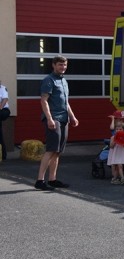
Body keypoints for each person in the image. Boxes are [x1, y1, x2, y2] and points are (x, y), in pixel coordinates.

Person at [35, 55, 79, 191]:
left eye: (65, 65)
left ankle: (52, 179)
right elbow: (44, 101)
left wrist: (73, 117)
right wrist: (49, 119)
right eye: (60, 65)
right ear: (53, 65)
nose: (63, 67)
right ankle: (40, 180)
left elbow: (66, 102)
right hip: (54, 118)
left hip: (64, 119)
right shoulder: (49, 80)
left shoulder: (64, 81)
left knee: (58, 151)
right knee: (51, 149)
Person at [107, 119, 124, 185]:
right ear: (115, 130)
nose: (118, 131)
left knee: (119, 166)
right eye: (117, 129)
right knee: (115, 167)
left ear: (123, 130)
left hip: (120, 153)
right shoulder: (113, 137)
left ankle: (119, 178)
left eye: (120, 129)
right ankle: (116, 178)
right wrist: (115, 141)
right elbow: (111, 146)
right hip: (115, 153)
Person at [0, 80, 10, 161]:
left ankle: (3, 154)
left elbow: (5, 99)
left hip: (3, 110)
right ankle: (3, 155)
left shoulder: (3, 88)